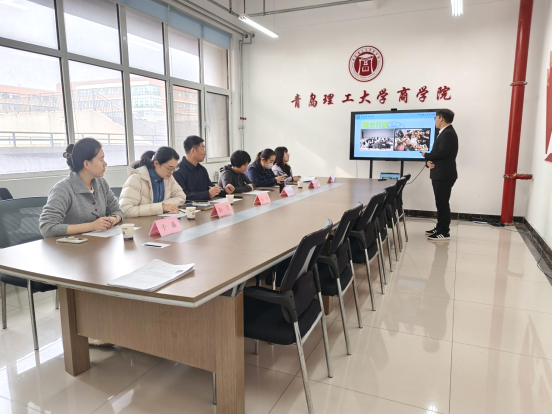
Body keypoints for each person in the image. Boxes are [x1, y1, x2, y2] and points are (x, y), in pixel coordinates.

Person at [40, 138, 123, 239]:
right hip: (70, 247)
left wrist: (114, 218)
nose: (105, 164)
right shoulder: (63, 189)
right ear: (86, 164)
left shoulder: (101, 183)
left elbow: (117, 210)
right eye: (101, 160)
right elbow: (47, 228)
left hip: (97, 244)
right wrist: (92, 226)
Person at [422, 108, 459, 241]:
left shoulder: (448, 133)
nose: (435, 121)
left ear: (441, 118)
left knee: (442, 203)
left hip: (444, 175)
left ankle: (444, 231)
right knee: (440, 202)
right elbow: (438, 153)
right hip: (440, 174)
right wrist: (428, 163)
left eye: (436, 118)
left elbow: (442, 153)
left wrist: (426, 155)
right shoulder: (443, 132)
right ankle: (439, 227)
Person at [119, 147, 186, 218]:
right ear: (156, 164)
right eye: (169, 168)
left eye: (174, 169)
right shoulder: (136, 179)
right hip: (141, 223)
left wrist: (164, 206)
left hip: (160, 220)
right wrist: (160, 207)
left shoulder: (168, 177)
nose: (171, 172)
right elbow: (125, 210)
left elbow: (181, 197)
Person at [173, 135, 234, 201]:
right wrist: (207, 194)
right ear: (193, 151)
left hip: (206, 204)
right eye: (202, 149)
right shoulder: (178, 171)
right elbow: (183, 195)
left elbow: (210, 188)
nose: (205, 153)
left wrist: (224, 190)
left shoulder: (202, 169)